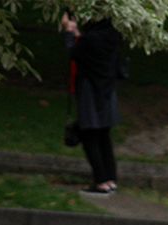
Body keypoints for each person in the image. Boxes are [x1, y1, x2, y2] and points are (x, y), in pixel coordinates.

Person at [61, 13, 122, 195]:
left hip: (90, 91)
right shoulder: (112, 35)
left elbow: (74, 52)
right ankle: (110, 179)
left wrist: (69, 31)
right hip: (107, 91)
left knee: (89, 136)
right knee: (104, 136)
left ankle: (101, 181)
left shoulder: (90, 39)